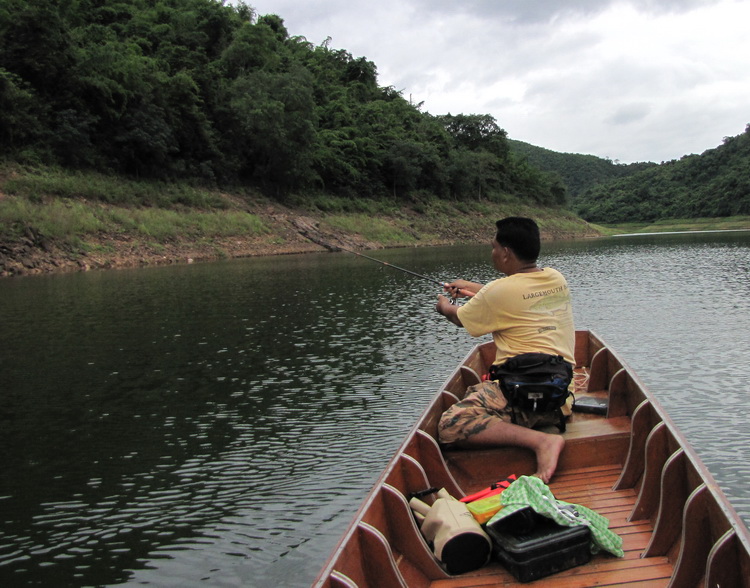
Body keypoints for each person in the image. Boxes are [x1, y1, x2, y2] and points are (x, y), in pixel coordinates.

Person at [435, 217, 575, 483]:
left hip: (522, 397)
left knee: (451, 424)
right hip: (560, 398)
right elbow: (506, 293)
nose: (493, 252)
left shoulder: (498, 292)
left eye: (494, 246)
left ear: (506, 252)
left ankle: (542, 442)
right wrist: (470, 288)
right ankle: (542, 432)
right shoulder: (556, 278)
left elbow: (458, 316)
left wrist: (443, 305)